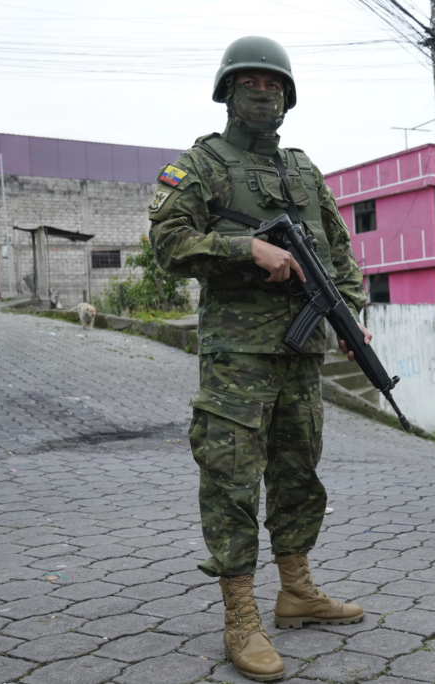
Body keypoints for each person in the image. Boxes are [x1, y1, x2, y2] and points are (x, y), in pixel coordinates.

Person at [149, 36, 368, 682]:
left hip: (302, 356)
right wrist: (247, 249)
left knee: (301, 473)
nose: (263, 92)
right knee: (232, 481)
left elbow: (338, 250)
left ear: (288, 98)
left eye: (274, 84)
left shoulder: (303, 170)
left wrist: (351, 316)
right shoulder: (203, 164)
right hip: (236, 359)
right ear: (228, 90)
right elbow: (168, 241)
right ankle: (240, 616)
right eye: (251, 82)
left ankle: (297, 590)